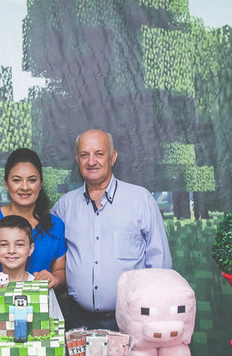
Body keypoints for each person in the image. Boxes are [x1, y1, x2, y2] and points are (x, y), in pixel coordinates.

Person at [51, 129, 171, 330]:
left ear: (113, 157)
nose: (91, 161)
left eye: (99, 154)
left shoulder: (140, 200)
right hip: (77, 321)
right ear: (77, 160)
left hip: (130, 320)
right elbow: (51, 254)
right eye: (84, 155)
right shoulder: (64, 207)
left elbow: (160, 265)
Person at [0, 148, 66, 294]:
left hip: (38, 306)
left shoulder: (55, 225)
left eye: (32, 180)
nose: (25, 187)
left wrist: (54, 278)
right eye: (17, 180)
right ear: (6, 183)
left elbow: (61, 271)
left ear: (40, 183)